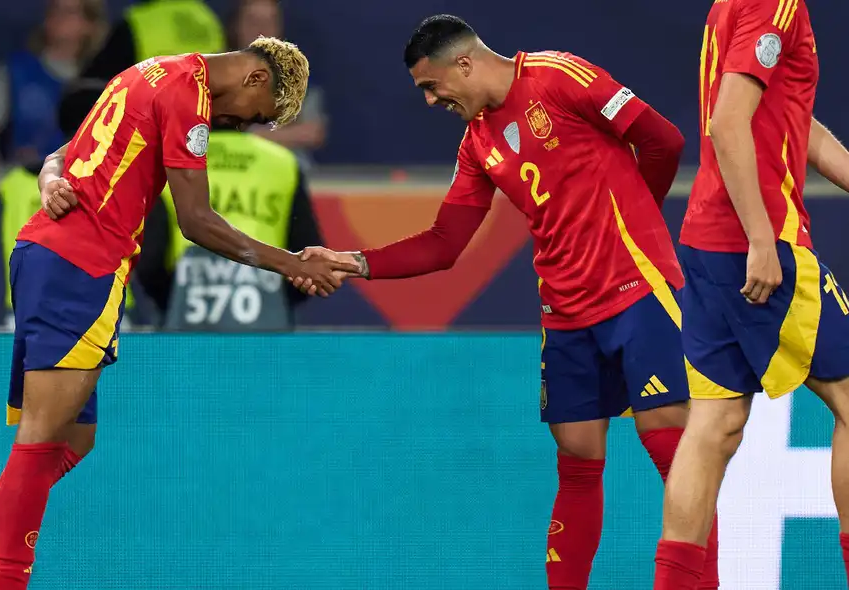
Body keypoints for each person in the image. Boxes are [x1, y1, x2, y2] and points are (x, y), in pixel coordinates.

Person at [294, 15, 719, 589]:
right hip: (565, 312)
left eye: (431, 85)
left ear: (464, 63)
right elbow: (445, 244)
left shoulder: (557, 76)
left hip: (637, 289)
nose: (429, 100)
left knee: (673, 452)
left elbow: (662, 139)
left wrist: (637, 216)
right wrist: (354, 262)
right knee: (576, 460)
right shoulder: (478, 143)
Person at [0, 37, 354, 590]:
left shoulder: (145, 72)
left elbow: (60, 154)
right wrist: (290, 264)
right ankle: (4, 581)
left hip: (54, 258)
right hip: (81, 265)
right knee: (42, 438)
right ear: (256, 80)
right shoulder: (189, 99)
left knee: (74, 441)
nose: (240, 125)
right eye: (255, 117)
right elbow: (196, 221)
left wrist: (52, 180)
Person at [653, 1, 849, 588]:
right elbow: (727, 121)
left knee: (714, 425)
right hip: (756, 242)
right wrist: (762, 239)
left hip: (706, 243)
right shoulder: (776, 1)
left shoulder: (730, 3)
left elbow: (790, 119)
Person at [136, 128, 325, 331]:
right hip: (267, 329)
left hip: (184, 325)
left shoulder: (168, 161)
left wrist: (173, 302)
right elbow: (309, 256)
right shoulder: (283, 162)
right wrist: (277, 301)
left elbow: (150, 262)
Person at [57, 0, 226, 139]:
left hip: (150, 137)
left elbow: (88, 91)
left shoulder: (139, 22)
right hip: (203, 135)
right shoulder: (209, 21)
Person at [0, 0, 107, 168]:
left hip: (84, 187)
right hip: (28, 184)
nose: (59, 17)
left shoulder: (105, 79)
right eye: (54, 9)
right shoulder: (15, 71)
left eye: (69, 12)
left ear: (89, 24)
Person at [227, 0, 328, 168]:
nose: (261, 30)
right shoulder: (215, 76)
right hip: (231, 171)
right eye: (253, 22)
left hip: (288, 171)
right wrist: (285, 134)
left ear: (279, 28)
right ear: (236, 26)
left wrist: (250, 135)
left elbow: (313, 133)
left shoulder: (298, 76)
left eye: (269, 22)